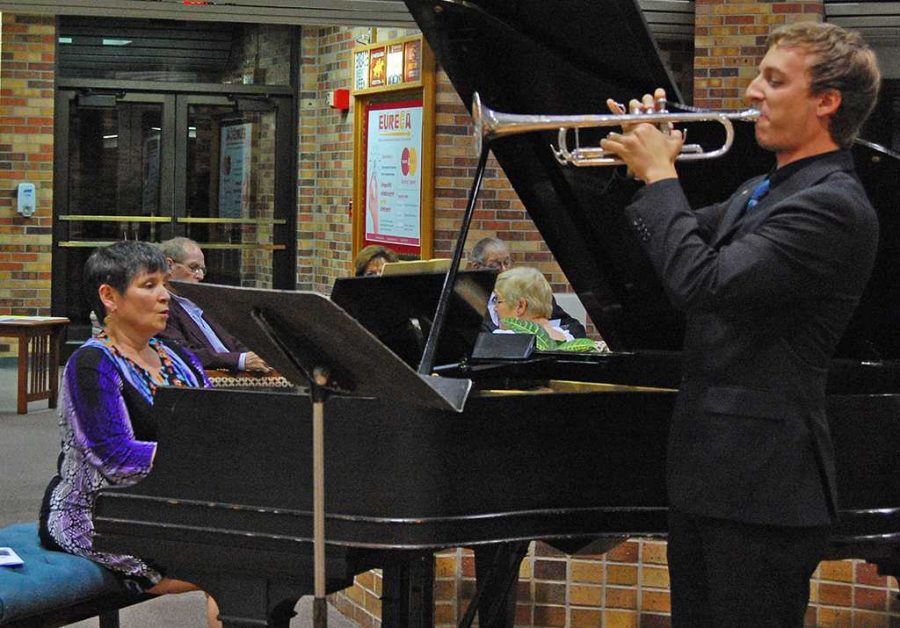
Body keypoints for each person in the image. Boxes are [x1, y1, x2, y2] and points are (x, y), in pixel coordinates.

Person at [599, 22, 881, 626]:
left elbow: (703, 283)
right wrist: (633, 162)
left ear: (827, 101)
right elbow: (652, 253)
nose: (752, 91)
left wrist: (660, 176)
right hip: (711, 478)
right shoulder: (761, 189)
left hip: (764, 490)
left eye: (774, 80)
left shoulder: (831, 204)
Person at [38, 241, 221, 626]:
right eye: (149, 285)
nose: (164, 296)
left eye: (164, 284)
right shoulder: (90, 364)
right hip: (96, 515)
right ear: (109, 296)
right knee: (232, 568)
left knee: (246, 557)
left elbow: (214, 426)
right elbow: (116, 459)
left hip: (167, 504)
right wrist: (201, 458)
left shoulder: (179, 356)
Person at [157, 237, 269, 373]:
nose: (200, 276)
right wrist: (240, 360)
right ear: (169, 265)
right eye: (193, 268)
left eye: (202, 270)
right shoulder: (161, 307)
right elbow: (182, 352)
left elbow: (235, 339)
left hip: (242, 378)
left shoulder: (206, 301)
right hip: (210, 382)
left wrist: (256, 358)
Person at [470, 236, 588, 338]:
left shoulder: (533, 293)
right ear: (476, 267)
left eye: (506, 262)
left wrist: (551, 337)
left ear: (521, 305)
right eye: (495, 265)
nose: (504, 270)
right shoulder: (468, 303)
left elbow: (575, 328)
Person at [493, 267, 573, 342]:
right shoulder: (569, 338)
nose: (495, 308)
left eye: (497, 300)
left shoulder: (502, 339)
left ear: (521, 306)